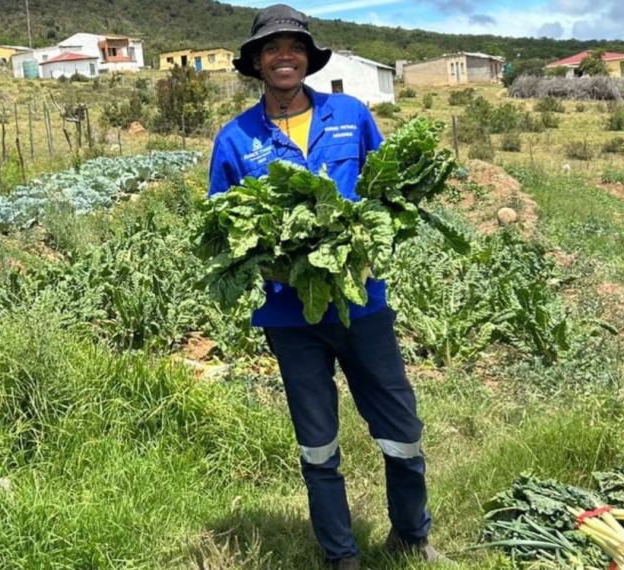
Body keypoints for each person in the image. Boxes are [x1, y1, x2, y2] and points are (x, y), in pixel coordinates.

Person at [206, 5, 448, 570]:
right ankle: (341, 556)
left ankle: (411, 536)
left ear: (308, 59)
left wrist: (368, 242)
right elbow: (221, 225)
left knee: (402, 430)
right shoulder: (235, 138)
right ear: (257, 63)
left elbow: (388, 193)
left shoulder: (350, 115)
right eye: (272, 48)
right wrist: (268, 261)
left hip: (362, 305)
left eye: (294, 46)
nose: (284, 56)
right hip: (291, 317)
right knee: (317, 443)